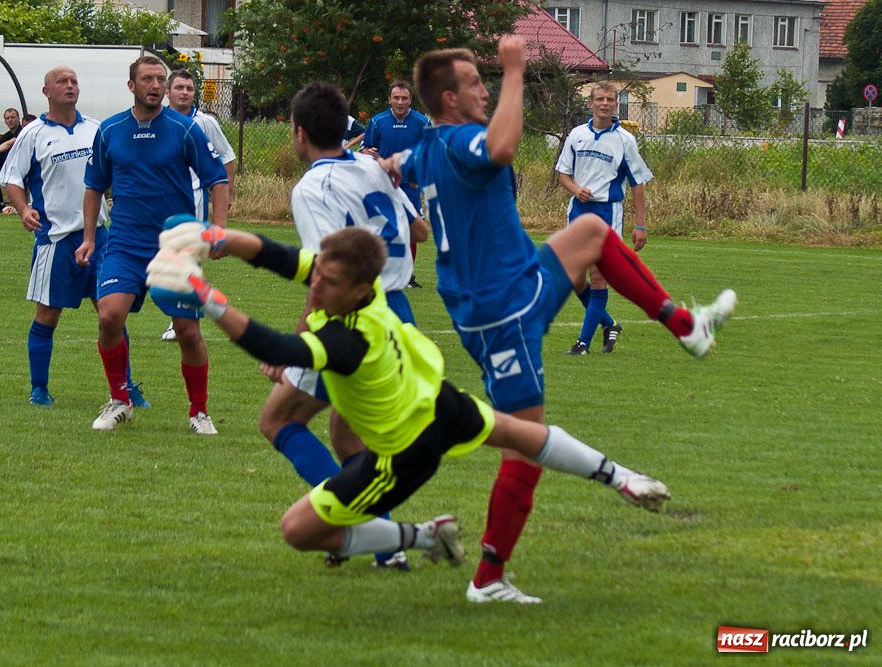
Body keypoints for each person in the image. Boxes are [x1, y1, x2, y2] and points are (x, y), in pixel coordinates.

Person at [378, 36, 736, 603]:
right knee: (527, 442)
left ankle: (687, 327)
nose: (485, 87)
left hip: (509, 288)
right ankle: (489, 580)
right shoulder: (464, 138)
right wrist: (516, 69)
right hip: (501, 312)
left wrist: (387, 164)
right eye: (474, 82)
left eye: (487, 79)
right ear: (448, 98)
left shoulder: (426, 146)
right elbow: (499, 146)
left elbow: (400, 165)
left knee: (593, 232)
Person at [146, 225, 674, 596]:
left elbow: (279, 351)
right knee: (518, 433)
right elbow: (282, 257)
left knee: (298, 531)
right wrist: (217, 239)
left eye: (326, 284)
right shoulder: (360, 284)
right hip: (437, 400)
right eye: (317, 276)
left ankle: (422, 536)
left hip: (405, 451)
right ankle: (622, 478)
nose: (314, 286)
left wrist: (205, 295)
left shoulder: (349, 339)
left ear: (355, 290)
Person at [257, 81, 428, 570]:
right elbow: (418, 230)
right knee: (349, 438)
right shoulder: (374, 168)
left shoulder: (313, 187)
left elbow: (327, 274)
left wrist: (294, 343)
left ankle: (365, 530)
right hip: (399, 314)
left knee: (278, 421)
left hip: (356, 319)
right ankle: (387, 546)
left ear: (298, 133)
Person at [76, 55, 228, 434]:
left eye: (161, 79)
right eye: (148, 79)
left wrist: (219, 229)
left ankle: (199, 412)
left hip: (174, 246)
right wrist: (90, 238)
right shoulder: (110, 130)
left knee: (188, 331)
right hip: (125, 243)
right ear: (132, 86)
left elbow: (218, 180)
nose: (156, 85)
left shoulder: (185, 128)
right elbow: (94, 186)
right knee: (109, 316)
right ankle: (120, 400)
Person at [0, 66, 148, 409]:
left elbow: (115, 174)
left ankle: (124, 387)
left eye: (74, 82)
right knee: (47, 316)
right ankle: (39, 389)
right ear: (46, 91)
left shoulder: (97, 129)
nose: (70, 86)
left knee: (111, 314)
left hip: (101, 239)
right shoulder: (32, 133)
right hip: (56, 240)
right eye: (62, 82)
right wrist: (23, 209)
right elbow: (12, 178)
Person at [556, 81, 652, 355]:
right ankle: (609, 324)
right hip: (577, 212)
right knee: (573, 277)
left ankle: (582, 343)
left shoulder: (625, 140)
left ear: (615, 104)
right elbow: (563, 173)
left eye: (611, 99)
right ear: (591, 103)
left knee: (598, 277)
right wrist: (576, 189)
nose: (605, 104)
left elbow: (638, 183)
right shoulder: (576, 135)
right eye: (600, 99)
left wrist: (640, 225)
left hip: (607, 214)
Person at [160, 69, 238, 343]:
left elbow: (227, 157)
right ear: (168, 92)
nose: (184, 93)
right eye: (179, 87)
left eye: (189, 88)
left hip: (193, 198)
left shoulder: (204, 123)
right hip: (159, 201)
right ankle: (185, 313)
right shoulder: (157, 122)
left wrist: (226, 194)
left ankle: (181, 319)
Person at [361, 81, 431, 288]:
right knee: (378, 227)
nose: (400, 102)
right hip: (381, 184)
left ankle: (407, 276)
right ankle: (377, 271)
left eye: (404, 98)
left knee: (411, 228)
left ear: (410, 100)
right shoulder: (377, 121)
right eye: (396, 98)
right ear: (389, 99)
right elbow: (366, 149)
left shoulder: (421, 122)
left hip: (409, 185)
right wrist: (366, 152)